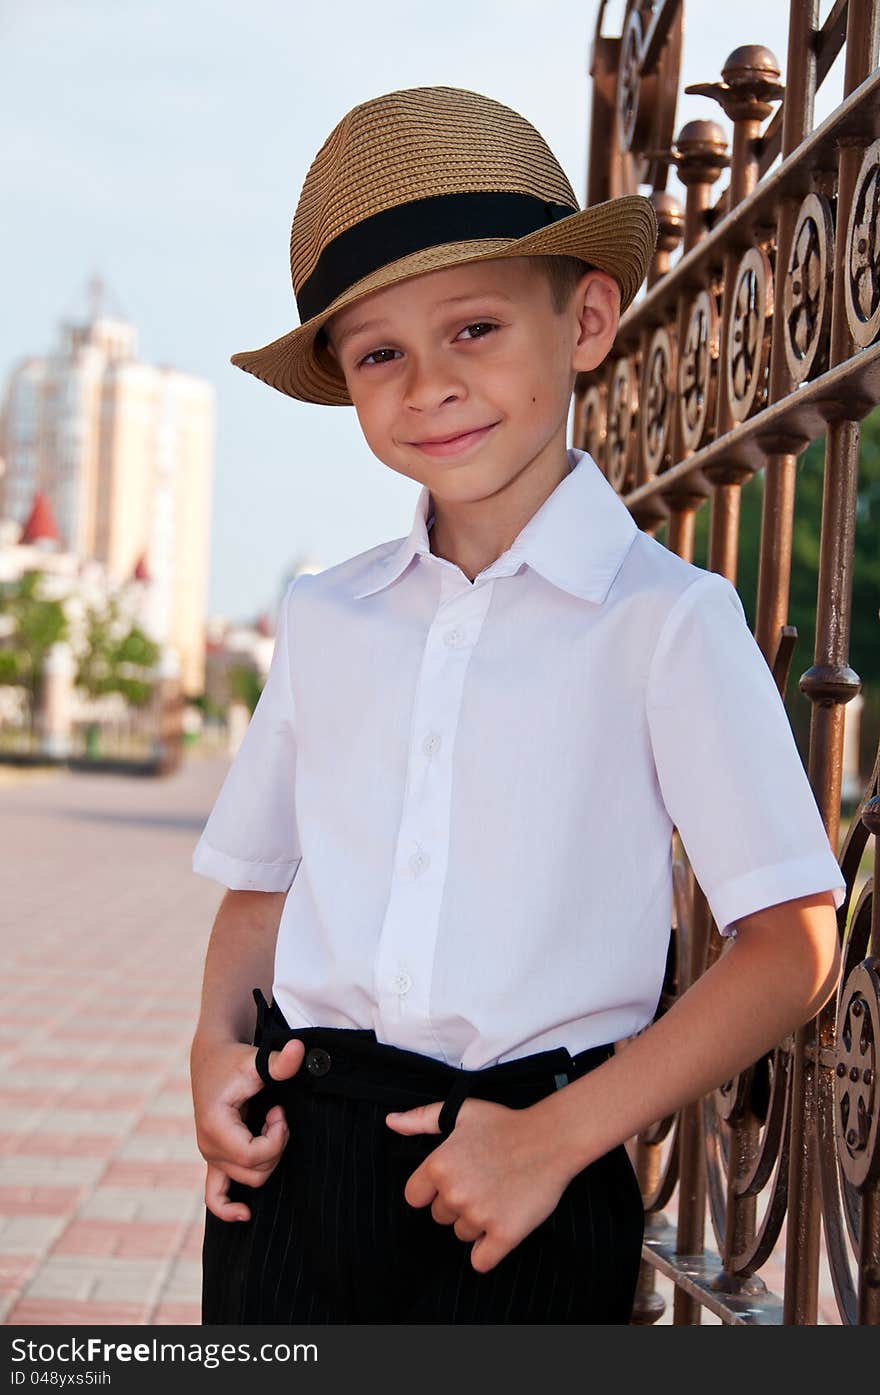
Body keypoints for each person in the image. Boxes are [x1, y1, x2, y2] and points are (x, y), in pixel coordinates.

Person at [189, 85, 846, 1325]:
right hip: (297, 1161)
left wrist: (554, 1143)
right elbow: (261, 883)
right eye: (379, 352)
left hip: (530, 1172)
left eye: (475, 327)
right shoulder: (329, 616)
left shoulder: (668, 622)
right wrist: (212, 1046)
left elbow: (792, 946)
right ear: (345, 381)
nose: (429, 384)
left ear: (586, 318)